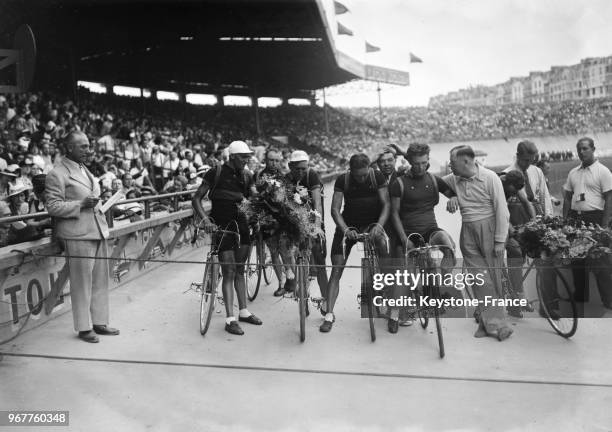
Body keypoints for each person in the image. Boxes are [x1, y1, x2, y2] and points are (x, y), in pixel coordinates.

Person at [45, 131, 119, 343]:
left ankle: (99, 322)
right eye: (83, 146)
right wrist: (80, 204)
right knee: (82, 284)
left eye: (88, 145)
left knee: (100, 281)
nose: (89, 150)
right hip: (77, 235)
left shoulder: (84, 169)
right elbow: (52, 206)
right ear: (69, 148)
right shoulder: (57, 173)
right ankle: (84, 327)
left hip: (97, 230)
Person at [192, 140, 262, 336]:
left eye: (248, 157)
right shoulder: (216, 172)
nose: (246, 161)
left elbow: (254, 197)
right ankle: (230, 319)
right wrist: (206, 220)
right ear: (232, 157)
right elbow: (196, 198)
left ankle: (244, 312)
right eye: (243, 158)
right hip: (222, 227)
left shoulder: (247, 176)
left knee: (241, 269)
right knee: (229, 271)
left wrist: (263, 197)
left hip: (242, 226)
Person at [444, 145, 513, 341]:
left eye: (452, 161)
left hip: (490, 230)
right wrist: (451, 195)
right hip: (468, 231)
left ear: (466, 161)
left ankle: (492, 324)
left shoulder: (490, 178)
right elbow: (435, 183)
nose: (450, 165)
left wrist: (500, 240)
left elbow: (502, 211)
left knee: (493, 278)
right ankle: (493, 324)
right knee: (479, 280)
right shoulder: (453, 179)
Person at [388, 143, 456, 333]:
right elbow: (394, 214)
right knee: (406, 276)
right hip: (408, 232)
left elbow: (452, 192)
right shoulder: (399, 183)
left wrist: (453, 198)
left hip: (430, 230)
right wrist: (403, 239)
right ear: (409, 161)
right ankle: (394, 314)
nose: (420, 167)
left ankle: (437, 288)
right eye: (416, 163)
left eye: (424, 163)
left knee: (448, 246)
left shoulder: (434, 180)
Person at [322, 153, 390, 333]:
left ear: (369, 168)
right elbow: (335, 210)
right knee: (337, 268)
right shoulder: (343, 179)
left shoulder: (377, 176)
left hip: (372, 224)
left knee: (383, 246)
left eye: (363, 175)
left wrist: (379, 226)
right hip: (348, 225)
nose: (360, 178)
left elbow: (386, 205)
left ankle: (385, 290)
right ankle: (329, 314)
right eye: (357, 175)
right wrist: (345, 230)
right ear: (350, 170)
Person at [562, 137, 612, 309]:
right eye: (579, 149)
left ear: (593, 149)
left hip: (595, 219)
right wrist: (565, 220)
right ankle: (580, 295)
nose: (581, 152)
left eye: (585, 148)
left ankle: (608, 300)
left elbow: (609, 199)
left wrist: (604, 225)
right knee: (577, 258)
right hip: (576, 219)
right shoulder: (573, 172)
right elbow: (567, 197)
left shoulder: (602, 171)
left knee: (600, 260)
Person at [283, 150, 328, 302]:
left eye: (304, 168)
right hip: (294, 219)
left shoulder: (312, 175)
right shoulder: (286, 179)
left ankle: (326, 300)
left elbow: (317, 203)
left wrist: (316, 226)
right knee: (288, 246)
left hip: (313, 217)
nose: (301, 172)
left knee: (319, 258)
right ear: (290, 166)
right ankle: (295, 278)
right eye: (298, 169)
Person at [500, 170, 536, 317]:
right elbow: (501, 213)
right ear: (508, 184)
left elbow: (527, 203)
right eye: (514, 190)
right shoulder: (498, 185)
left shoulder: (514, 186)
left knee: (516, 252)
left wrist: (535, 222)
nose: (515, 193)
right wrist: (512, 231)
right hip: (491, 220)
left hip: (503, 220)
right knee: (497, 260)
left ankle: (516, 300)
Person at [253, 148, 285, 296]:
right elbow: (253, 193)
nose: (274, 163)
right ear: (266, 160)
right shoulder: (259, 175)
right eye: (271, 160)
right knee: (273, 252)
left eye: (277, 160)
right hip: (266, 218)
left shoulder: (284, 177)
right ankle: (282, 283)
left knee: (286, 252)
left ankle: (291, 279)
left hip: (282, 218)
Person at [502, 140, 552, 218]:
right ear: (518, 156)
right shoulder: (507, 174)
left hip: (537, 216)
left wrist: (549, 215)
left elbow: (544, 196)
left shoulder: (537, 171)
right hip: (517, 217)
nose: (528, 164)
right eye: (526, 160)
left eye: (531, 160)